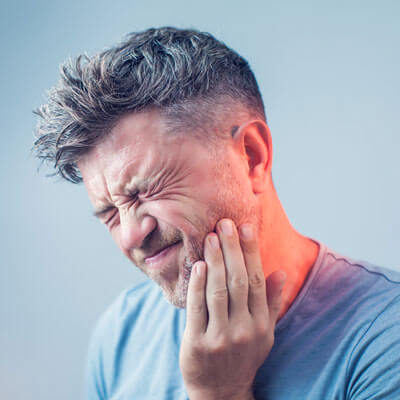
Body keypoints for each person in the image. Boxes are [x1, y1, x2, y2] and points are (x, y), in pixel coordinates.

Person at [33, 27, 400, 399]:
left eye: (146, 190)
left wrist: (219, 392)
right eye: (110, 212)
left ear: (252, 157)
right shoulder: (120, 337)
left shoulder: (386, 338)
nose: (130, 235)